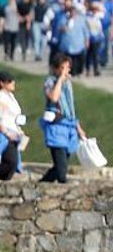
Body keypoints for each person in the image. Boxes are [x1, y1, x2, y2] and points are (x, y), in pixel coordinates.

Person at [40, 54, 85, 184]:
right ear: (55, 69)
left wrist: (78, 128)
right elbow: (54, 97)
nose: (66, 71)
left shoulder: (68, 84)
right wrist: (60, 80)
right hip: (56, 128)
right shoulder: (50, 82)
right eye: (62, 68)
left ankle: (41, 185)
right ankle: (62, 185)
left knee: (61, 165)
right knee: (61, 170)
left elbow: (71, 108)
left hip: (68, 128)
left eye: (67, 68)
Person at [0, 71, 26, 181]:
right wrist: (6, 133)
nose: (13, 83)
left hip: (14, 133)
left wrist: (19, 129)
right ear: (2, 83)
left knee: (12, 164)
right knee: (11, 162)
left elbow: (14, 116)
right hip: (5, 134)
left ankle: (3, 183)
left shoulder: (11, 97)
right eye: (9, 81)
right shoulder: (0, 97)